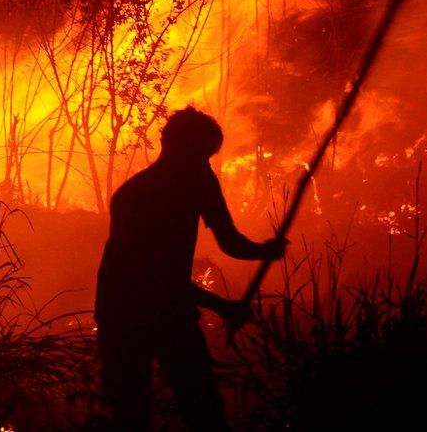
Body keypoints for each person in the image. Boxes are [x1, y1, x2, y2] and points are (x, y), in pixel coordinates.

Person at [95, 107, 287, 431]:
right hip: (124, 315)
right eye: (202, 155)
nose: (206, 164)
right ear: (179, 151)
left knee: (202, 406)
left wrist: (263, 250)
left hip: (168, 311)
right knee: (136, 414)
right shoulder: (137, 198)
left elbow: (229, 242)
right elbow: (158, 279)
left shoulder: (197, 180)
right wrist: (223, 306)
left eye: (208, 157)